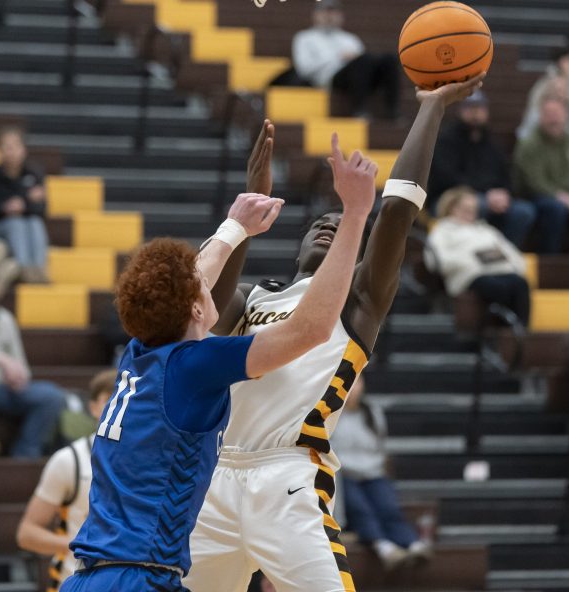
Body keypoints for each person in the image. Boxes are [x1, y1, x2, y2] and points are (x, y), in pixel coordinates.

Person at [185, 74, 485, 592]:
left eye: (341, 224)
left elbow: (396, 211)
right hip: (213, 478)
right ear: (297, 244)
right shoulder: (258, 298)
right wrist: (249, 205)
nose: (328, 224)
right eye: (316, 223)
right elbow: (201, 305)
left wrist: (432, 106)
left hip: (288, 478)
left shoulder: (359, 299)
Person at [60, 136, 377, 592]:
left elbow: (186, 281)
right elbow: (309, 329)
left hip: (86, 578)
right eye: (203, 292)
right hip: (139, 578)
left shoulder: (139, 352)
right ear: (193, 310)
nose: (212, 290)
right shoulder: (197, 365)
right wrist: (356, 214)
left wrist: (234, 226)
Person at [16, 369, 117, 591]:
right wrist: (79, 545)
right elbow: (27, 534)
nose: (116, 408)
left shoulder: (154, 460)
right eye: (108, 399)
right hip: (74, 580)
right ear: (92, 408)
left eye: (123, 399)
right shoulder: (69, 460)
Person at [331, 375, 431, 571]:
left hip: (373, 473)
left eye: (357, 382)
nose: (353, 388)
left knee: (388, 506)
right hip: (345, 475)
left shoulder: (372, 411)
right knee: (360, 508)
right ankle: (383, 547)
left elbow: (380, 446)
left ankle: (412, 544)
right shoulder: (331, 413)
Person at [429, 90, 535, 247]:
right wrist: (486, 194)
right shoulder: (446, 140)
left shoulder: (493, 143)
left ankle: (503, 254)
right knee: (476, 205)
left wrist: (504, 194)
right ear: (461, 111)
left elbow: (505, 176)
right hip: (450, 197)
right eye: (470, 108)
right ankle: (472, 254)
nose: (475, 113)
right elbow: (446, 178)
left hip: (491, 198)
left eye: (479, 108)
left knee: (524, 212)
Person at [0, 266, 65, 457]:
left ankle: (26, 452)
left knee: (52, 396)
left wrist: (19, 377)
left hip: (3, 389)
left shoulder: (5, 319)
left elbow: (19, 362)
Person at [425, 186, 530, 326]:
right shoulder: (442, 230)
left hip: (501, 270)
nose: (471, 212)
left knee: (520, 284)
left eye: (473, 208)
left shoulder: (486, 229)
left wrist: (510, 265)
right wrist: (472, 261)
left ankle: (521, 332)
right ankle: (499, 330)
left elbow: (514, 255)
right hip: (471, 276)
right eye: (466, 208)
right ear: (452, 208)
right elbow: (435, 260)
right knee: (496, 288)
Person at [513, 95, 569, 254]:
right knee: (556, 209)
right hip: (539, 198)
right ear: (540, 116)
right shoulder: (529, 144)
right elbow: (535, 183)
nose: (554, 118)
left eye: (557, 113)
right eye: (549, 114)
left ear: (566, 115)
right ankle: (550, 259)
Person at [292, 0, 400, 118]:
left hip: (358, 77)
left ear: (341, 16)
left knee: (389, 59)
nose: (329, 16)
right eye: (325, 11)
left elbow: (365, 61)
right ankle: (360, 110)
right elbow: (303, 69)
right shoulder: (304, 38)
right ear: (315, 15)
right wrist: (339, 57)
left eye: (333, 12)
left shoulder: (350, 38)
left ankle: (393, 112)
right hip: (329, 79)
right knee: (361, 62)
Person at [0, 126, 50, 283]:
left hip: (26, 226)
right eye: (7, 147)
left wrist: (22, 204)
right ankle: (25, 269)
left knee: (35, 222)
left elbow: (42, 209)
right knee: (15, 223)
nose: (12, 151)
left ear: (24, 149)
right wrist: (7, 208)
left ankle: (38, 269)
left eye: (16, 146)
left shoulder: (34, 173)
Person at [518, 46, 569, 141]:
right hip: (545, 138)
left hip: (568, 137)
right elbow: (532, 118)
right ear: (563, 62)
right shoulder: (546, 84)